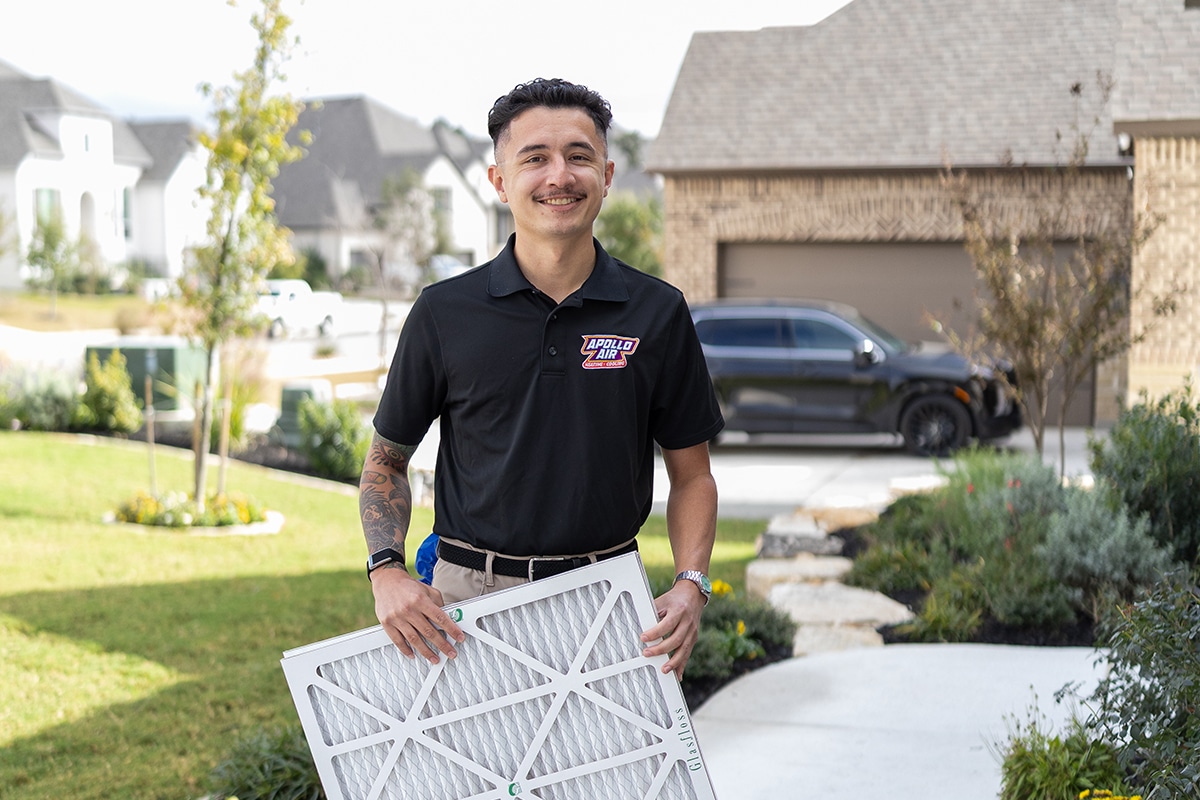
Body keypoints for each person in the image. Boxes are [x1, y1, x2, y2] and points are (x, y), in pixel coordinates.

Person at [359, 78, 724, 679]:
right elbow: (386, 463)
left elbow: (693, 476)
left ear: (606, 176)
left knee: (612, 774)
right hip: (463, 608)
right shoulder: (443, 313)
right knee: (468, 773)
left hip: (607, 602)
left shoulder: (656, 312)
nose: (560, 176)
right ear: (499, 181)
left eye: (579, 156)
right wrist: (387, 571)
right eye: (535, 158)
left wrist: (691, 584)